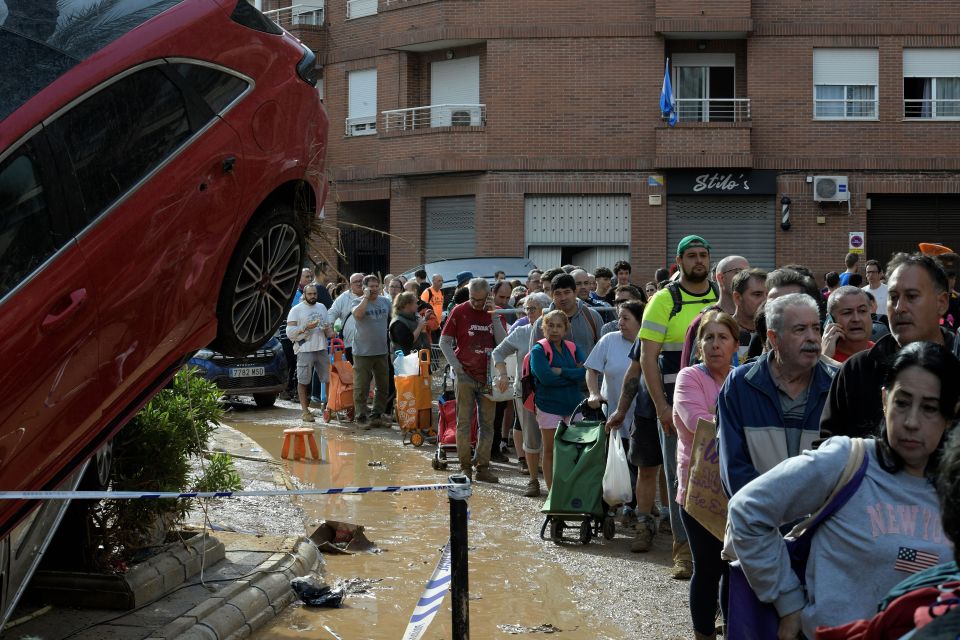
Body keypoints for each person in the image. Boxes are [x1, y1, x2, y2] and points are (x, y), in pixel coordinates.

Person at [727, 341, 958, 640]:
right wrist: (788, 602)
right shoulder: (847, 461)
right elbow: (747, 509)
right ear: (885, 399)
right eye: (902, 402)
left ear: (951, 414)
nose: (912, 422)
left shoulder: (953, 488)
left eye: (929, 408)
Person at [613, 234, 719, 579]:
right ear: (679, 261)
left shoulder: (720, 297)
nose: (698, 261)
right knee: (680, 479)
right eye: (692, 256)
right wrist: (661, 406)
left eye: (703, 255)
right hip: (675, 407)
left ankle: (718, 547)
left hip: (719, 405)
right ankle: (684, 551)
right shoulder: (663, 300)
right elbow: (646, 357)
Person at [821, 252, 960, 439]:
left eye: (911, 296)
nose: (899, 307)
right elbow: (827, 446)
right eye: (893, 297)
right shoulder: (857, 370)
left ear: (941, 303)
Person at [718, 293, 835, 498]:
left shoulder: (836, 385)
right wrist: (773, 515)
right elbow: (733, 470)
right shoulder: (741, 385)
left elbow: (847, 470)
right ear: (773, 338)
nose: (812, 337)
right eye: (800, 329)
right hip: (757, 523)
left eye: (816, 328)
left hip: (821, 526)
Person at [674, 310, 739, 640]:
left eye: (722, 338)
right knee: (708, 567)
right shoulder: (689, 378)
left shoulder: (742, 377)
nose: (715, 345)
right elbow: (697, 422)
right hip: (697, 488)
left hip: (737, 489)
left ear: (735, 344)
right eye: (708, 338)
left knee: (734, 568)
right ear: (699, 346)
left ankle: (731, 629)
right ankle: (703, 635)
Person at [439, 278, 504, 483]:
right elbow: (444, 342)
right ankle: (465, 467)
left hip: (488, 376)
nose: (476, 304)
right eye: (472, 299)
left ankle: (482, 466)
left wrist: (493, 316)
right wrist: (456, 367)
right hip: (465, 374)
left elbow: (504, 343)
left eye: (480, 300)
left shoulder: (496, 312)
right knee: (464, 422)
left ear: (489, 296)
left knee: (487, 423)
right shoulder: (459, 311)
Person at [587, 301, 644, 510]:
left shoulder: (650, 344)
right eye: (619, 317)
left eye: (626, 318)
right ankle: (618, 503)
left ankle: (637, 505)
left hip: (641, 415)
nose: (620, 323)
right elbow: (591, 369)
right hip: (613, 415)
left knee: (638, 464)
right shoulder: (609, 340)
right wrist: (594, 393)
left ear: (640, 321)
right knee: (615, 461)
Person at [493, 292, 550, 496]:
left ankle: (553, 485)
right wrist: (501, 374)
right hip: (525, 393)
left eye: (532, 309)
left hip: (552, 392)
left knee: (552, 439)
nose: (528, 313)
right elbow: (498, 352)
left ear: (545, 309)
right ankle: (533, 481)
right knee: (531, 437)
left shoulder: (555, 330)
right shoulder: (521, 332)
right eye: (526, 309)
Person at [530, 309, 586, 490]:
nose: (554, 330)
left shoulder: (573, 347)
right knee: (550, 450)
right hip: (548, 406)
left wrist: (561, 371)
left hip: (574, 406)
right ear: (544, 328)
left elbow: (585, 373)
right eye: (551, 325)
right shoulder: (538, 350)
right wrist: (572, 375)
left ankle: (571, 489)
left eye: (559, 326)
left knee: (576, 449)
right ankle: (553, 492)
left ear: (565, 328)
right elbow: (546, 378)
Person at [679, 255, 748, 367]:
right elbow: (688, 370)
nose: (745, 278)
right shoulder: (702, 321)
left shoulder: (756, 320)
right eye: (738, 272)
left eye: (748, 273)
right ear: (720, 278)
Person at [286, 283, 334, 422]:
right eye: (310, 294)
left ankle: (328, 408)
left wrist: (330, 332)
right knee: (303, 380)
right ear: (304, 295)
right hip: (304, 349)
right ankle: (305, 411)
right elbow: (290, 333)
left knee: (328, 379)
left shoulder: (322, 307)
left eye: (314, 294)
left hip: (321, 348)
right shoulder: (296, 310)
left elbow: (328, 329)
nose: (312, 296)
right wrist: (305, 327)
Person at [350, 275, 392, 428]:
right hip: (362, 352)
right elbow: (358, 315)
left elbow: (394, 317)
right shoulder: (357, 301)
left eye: (376, 286)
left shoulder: (386, 301)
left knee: (383, 385)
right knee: (362, 386)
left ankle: (376, 415)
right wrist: (366, 298)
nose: (374, 289)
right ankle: (360, 417)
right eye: (371, 287)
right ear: (364, 287)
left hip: (381, 350)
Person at [530, 273, 603, 357]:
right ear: (552, 295)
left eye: (567, 292)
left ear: (575, 292)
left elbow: (602, 351)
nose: (563, 297)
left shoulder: (592, 317)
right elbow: (534, 356)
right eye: (558, 293)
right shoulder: (541, 322)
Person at [822, 286, 875, 363]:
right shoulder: (813, 360)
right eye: (847, 313)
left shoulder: (883, 353)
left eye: (862, 311)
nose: (856, 319)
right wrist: (824, 359)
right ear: (830, 320)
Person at [328, 273, 364, 362]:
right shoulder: (344, 298)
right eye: (356, 282)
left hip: (371, 344)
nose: (359, 284)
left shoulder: (373, 296)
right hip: (350, 344)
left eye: (361, 281)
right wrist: (330, 327)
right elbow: (332, 313)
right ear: (351, 285)